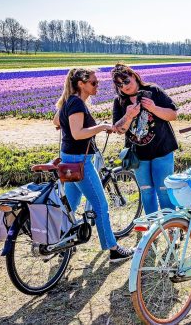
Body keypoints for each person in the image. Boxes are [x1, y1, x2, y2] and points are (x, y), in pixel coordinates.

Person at [53, 68, 133, 262]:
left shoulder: (68, 101)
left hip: (68, 159)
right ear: (81, 83)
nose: (97, 85)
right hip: (80, 161)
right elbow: (78, 133)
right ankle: (113, 249)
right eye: (94, 83)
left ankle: (62, 243)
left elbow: (56, 121)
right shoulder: (76, 103)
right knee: (100, 204)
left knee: (70, 205)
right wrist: (103, 126)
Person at [110, 63, 178, 215]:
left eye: (126, 81)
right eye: (119, 84)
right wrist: (128, 116)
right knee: (146, 192)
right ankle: (153, 228)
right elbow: (119, 129)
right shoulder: (119, 101)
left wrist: (153, 108)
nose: (124, 86)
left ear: (134, 76)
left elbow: (173, 114)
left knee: (164, 190)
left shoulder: (153, 91)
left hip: (162, 150)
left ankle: (171, 226)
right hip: (138, 156)